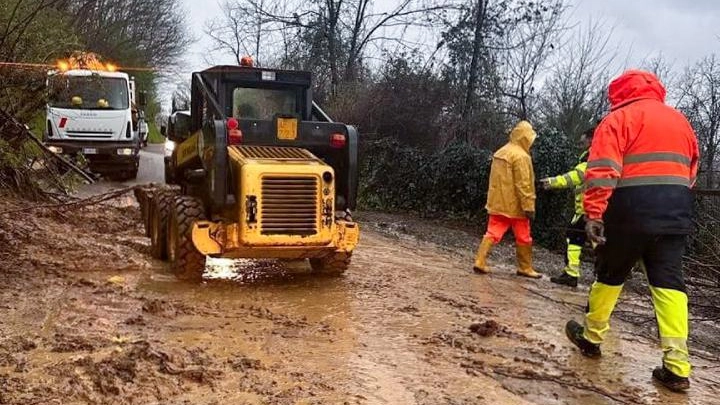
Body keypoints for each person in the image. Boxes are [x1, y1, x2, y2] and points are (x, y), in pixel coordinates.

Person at [564, 70, 700, 392]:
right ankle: (677, 367)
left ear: (618, 94)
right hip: (674, 212)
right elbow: (692, 170)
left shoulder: (617, 120)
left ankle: (592, 337)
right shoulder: (680, 122)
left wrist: (593, 214)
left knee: (610, 274)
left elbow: (601, 172)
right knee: (669, 285)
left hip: (629, 211)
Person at [473, 120, 541, 279]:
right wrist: (529, 206)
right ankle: (525, 267)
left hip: (497, 202)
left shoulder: (500, 152)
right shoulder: (522, 157)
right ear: (526, 137)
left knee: (492, 232)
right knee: (524, 236)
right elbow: (524, 184)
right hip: (516, 206)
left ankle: (480, 260)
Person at [539, 125, 596, 287]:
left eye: (583, 141)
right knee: (580, 240)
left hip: (590, 210)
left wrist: (551, 183)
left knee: (581, 240)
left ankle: (575, 274)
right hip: (588, 210)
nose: (581, 144)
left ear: (591, 140)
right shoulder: (594, 157)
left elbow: (575, 177)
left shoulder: (592, 160)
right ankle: (577, 274)